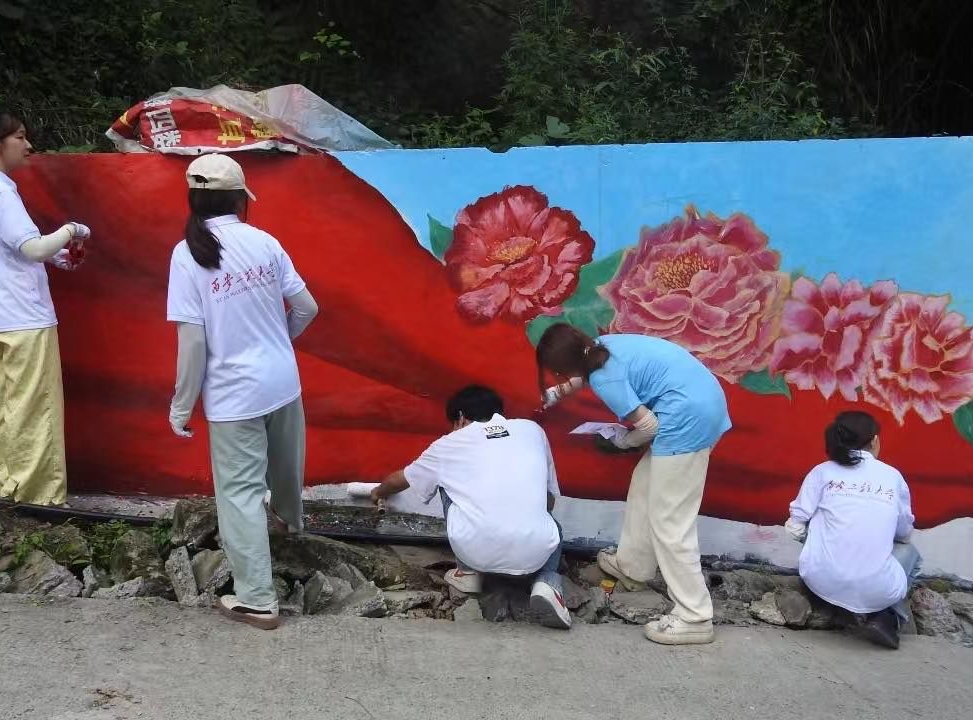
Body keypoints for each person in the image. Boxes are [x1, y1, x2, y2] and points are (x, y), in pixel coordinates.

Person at [166, 153, 320, 630]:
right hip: (282, 379)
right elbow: (307, 308)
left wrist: (181, 406)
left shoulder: (186, 254)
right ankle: (290, 523)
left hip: (233, 395)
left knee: (239, 494)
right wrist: (278, 341)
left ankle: (256, 599)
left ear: (194, 199)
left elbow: (193, 343)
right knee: (286, 463)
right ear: (239, 199)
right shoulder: (264, 241)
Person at [535, 324, 730, 645]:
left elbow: (649, 426)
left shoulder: (604, 378)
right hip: (701, 400)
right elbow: (591, 371)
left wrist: (622, 442)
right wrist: (560, 391)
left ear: (563, 367)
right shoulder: (600, 346)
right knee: (644, 485)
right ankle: (633, 567)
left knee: (671, 521)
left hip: (685, 418)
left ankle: (695, 616)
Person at [0, 105, 90, 507]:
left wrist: (60, 256)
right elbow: (32, 248)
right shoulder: (2, 192)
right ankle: (39, 496)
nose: (28, 144)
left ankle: (7, 481)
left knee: (1, 405)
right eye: (19, 137)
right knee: (34, 408)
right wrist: (71, 229)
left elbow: (11, 249)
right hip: (23, 317)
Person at [369, 385, 571, 630]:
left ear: (461, 417)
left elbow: (401, 479)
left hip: (476, 551)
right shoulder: (533, 430)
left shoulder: (449, 443)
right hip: (536, 553)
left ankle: (468, 573)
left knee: (446, 480)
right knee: (552, 524)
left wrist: (378, 492)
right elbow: (549, 502)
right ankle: (547, 584)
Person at [785, 410, 919, 649]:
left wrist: (815, 541)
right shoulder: (892, 477)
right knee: (911, 554)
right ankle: (887, 618)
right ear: (874, 441)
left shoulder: (822, 472)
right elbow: (903, 533)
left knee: (818, 528)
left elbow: (795, 527)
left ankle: (832, 600)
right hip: (876, 589)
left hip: (819, 579)